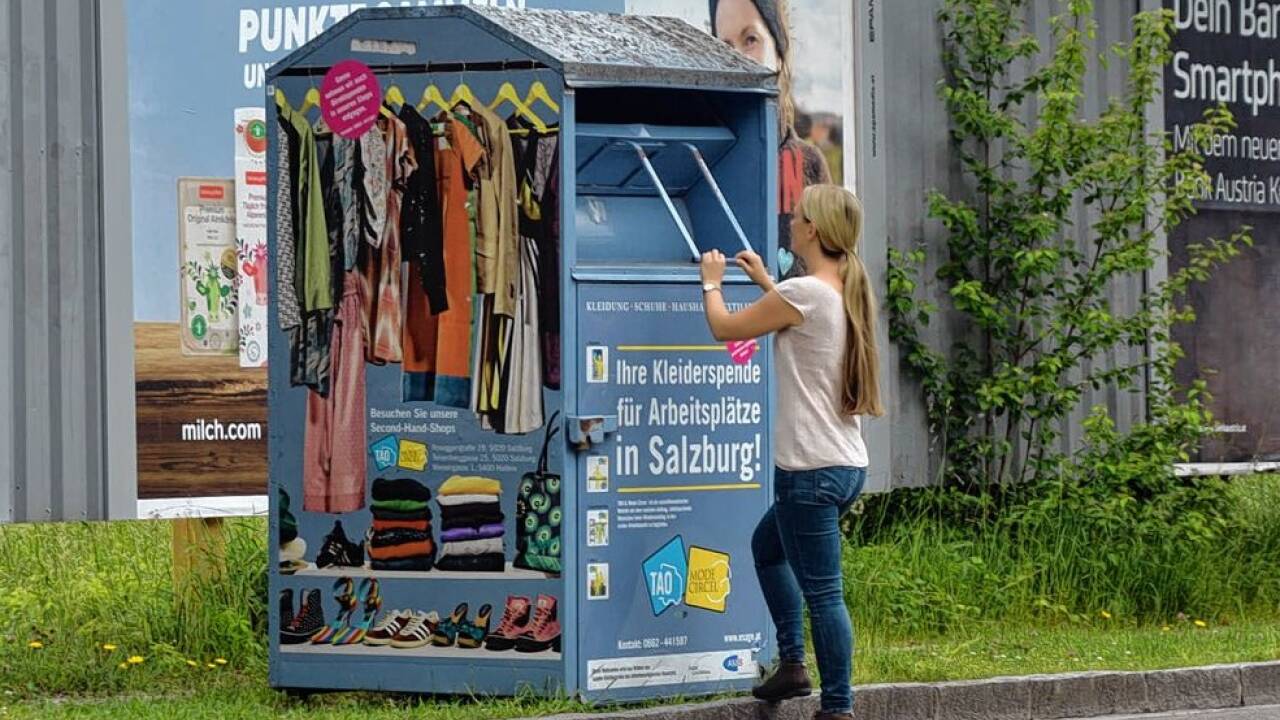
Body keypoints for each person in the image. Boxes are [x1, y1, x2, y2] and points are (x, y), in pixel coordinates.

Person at [699, 185, 883, 720]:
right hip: (845, 464)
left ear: (815, 232)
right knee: (767, 548)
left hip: (809, 472)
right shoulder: (840, 285)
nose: (791, 223)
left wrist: (711, 283)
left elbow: (724, 328)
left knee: (825, 594)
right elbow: (796, 314)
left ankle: (839, 708)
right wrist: (763, 281)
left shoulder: (805, 292)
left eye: (798, 217)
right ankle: (793, 666)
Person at [710, 0, 832, 279]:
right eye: (724, 46)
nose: (737, 58)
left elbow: (837, 278)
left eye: (750, 40)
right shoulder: (702, 159)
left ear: (778, 53)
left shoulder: (807, 163)